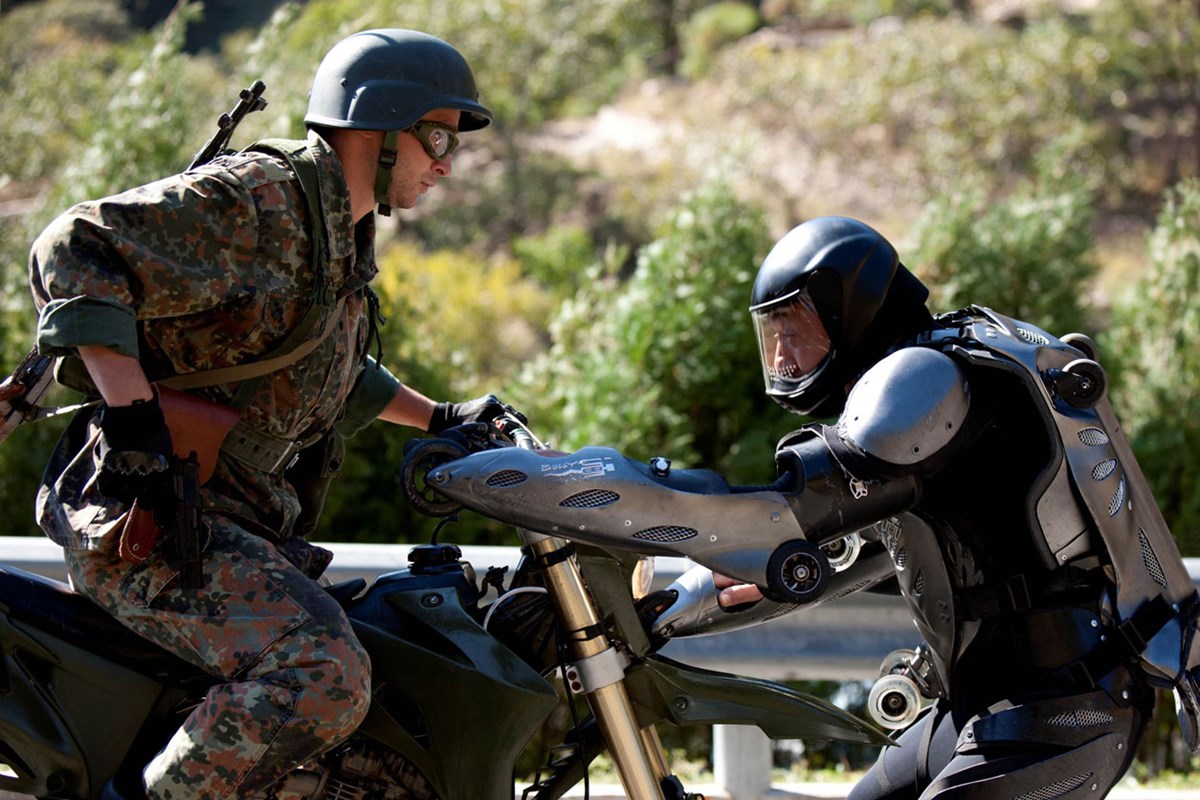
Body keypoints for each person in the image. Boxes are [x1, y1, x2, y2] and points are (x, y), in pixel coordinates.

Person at [27, 28, 512, 800]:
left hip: (229, 522)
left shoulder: (339, 233)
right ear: (379, 127)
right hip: (148, 519)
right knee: (320, 672)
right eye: (437, 139)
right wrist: (132, 415)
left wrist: (443, 418)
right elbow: (75, 244)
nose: (446, 164)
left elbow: (322, 371)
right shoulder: (260, 201)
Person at [659, 215, 1200, 798]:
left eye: (796, 329)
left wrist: (612, 494)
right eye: (774, 335)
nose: (783, 354)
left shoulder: (925, 379)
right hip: (978, 707)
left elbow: (801, 504)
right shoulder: (926, 393)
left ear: (851, 311)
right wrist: (668, 602)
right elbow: (843, 548)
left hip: (1065, 711)